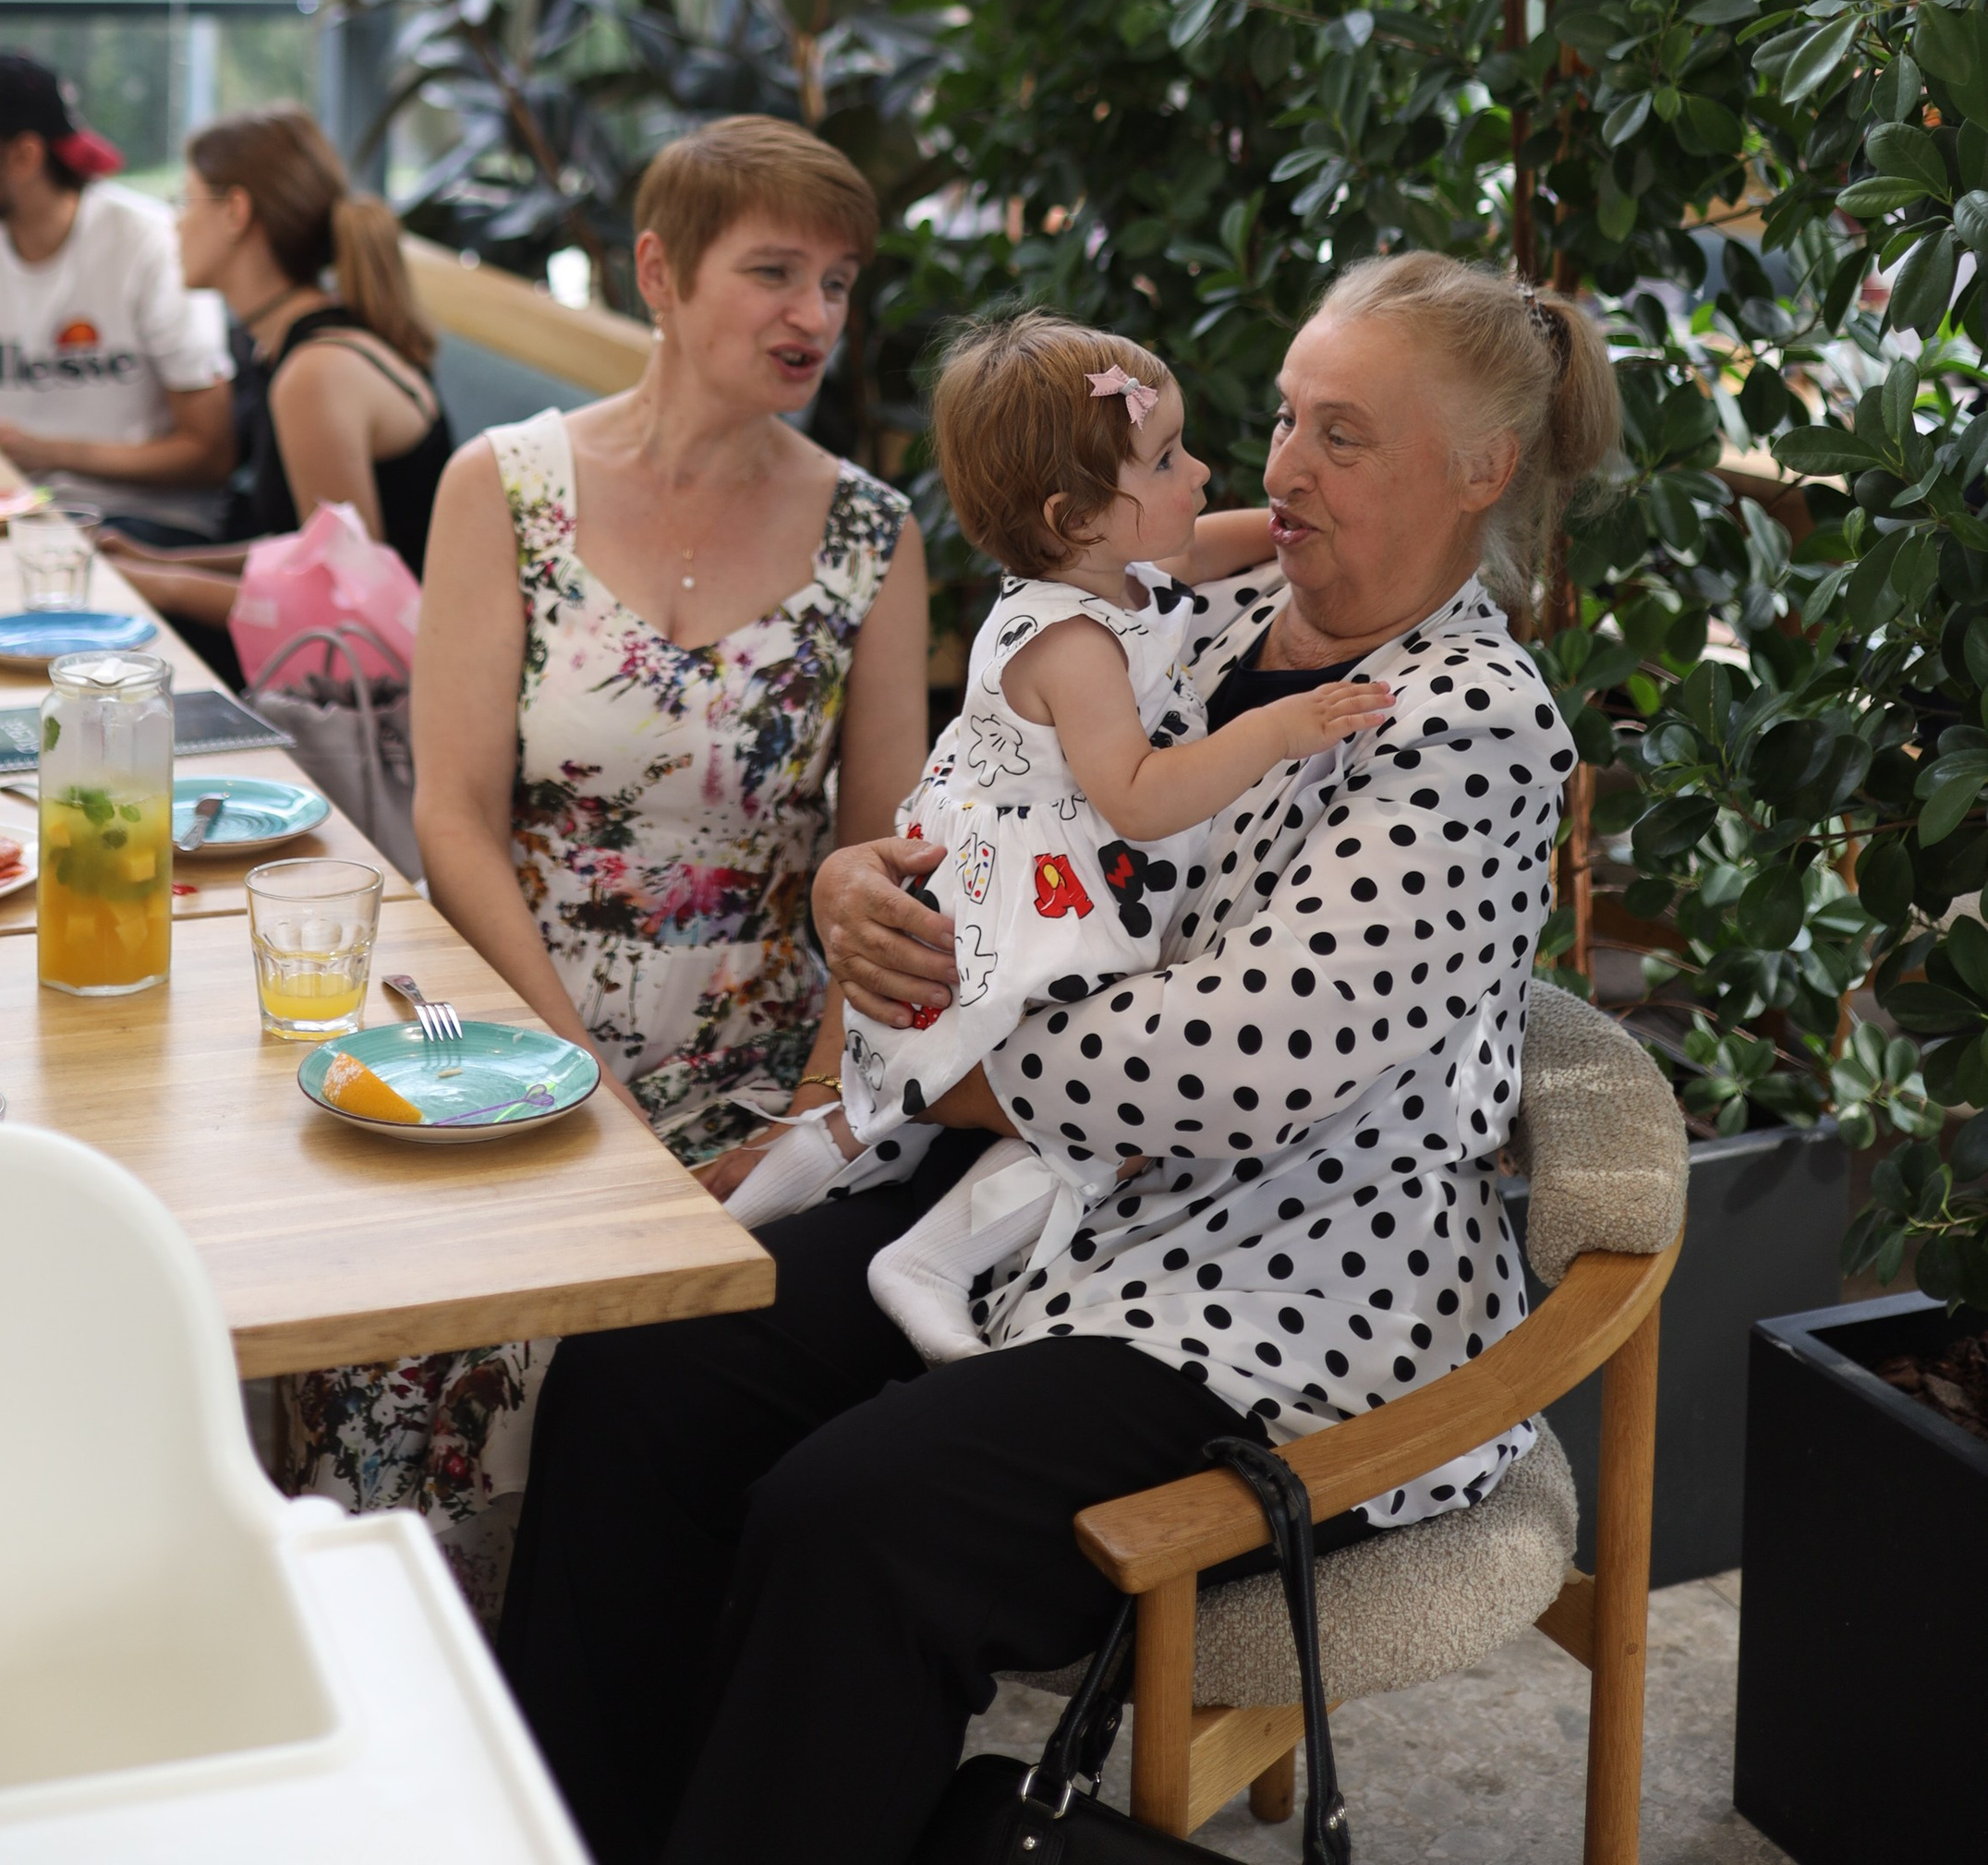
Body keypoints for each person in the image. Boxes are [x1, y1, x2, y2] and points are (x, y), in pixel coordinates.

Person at [493, 251, 1617, 1865]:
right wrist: (859, 888)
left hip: (1276, 1288)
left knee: (856, 1525)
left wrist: (950, 1067)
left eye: (1345, 438)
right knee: (636, 1380)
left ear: (1481, 472)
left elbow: (1246, 1061)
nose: (1284, 466)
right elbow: (986, 792)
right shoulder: (1197, 601)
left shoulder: (1470, 730)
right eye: (1288, 418)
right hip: (1044, 1203)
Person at [277, 115, 932, 1617]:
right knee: (400, 1316)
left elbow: (881, 870)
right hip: (501, 1020)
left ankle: (612, 1706)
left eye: (836, 281)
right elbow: (452, 815)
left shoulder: (871, 535)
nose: (814, 316)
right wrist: (576, 1066)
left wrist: (817, 1120)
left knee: (675, 1342)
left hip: (766, 1050)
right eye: (774, 272)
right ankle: (401, 1677)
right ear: (658, 271)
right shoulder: (502, 489)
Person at [724, 313, 1393, 1367]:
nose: (1203, 471)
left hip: (1029, 863)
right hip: (1043, 893)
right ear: (1075, 515)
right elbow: (1134, 797)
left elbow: (1245, 540)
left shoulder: (1113, 576)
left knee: (887, 1095)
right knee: (1083, 1115)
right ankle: (887, 1253)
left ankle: (812, 1227)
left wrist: (1315, 526)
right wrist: (1278, 731)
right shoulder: (1071, 642)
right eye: (1166, 457)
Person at [98, 105, 449, 662]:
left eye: (187, 202)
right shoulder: (280, 345)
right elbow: (302, 552)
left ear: (235, 211)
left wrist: (158, 584)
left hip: (381, 673)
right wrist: (155, 561)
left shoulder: (315, 374)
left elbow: (347, 607)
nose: (176, 224)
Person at [0, 52, 233, 536]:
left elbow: (211, 454)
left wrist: (51, 453)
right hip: (16, 516)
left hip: (148, 524)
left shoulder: (148, 244)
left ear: (23, 156)